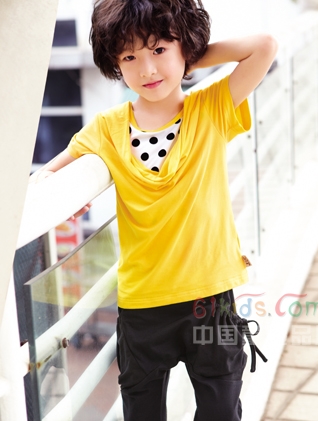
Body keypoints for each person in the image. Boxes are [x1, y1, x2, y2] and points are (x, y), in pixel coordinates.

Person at [32, 0, 278, 419]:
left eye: (159, 49)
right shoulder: (107, 128)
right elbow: (46, 177)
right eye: (129, 57)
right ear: (115, 63)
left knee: (221, 411)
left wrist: (186, 54)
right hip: (143, 304)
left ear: (185, 47)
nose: (146, 69)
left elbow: (264, 46)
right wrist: (64, 196)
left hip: (209, 296)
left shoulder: (211, 107)